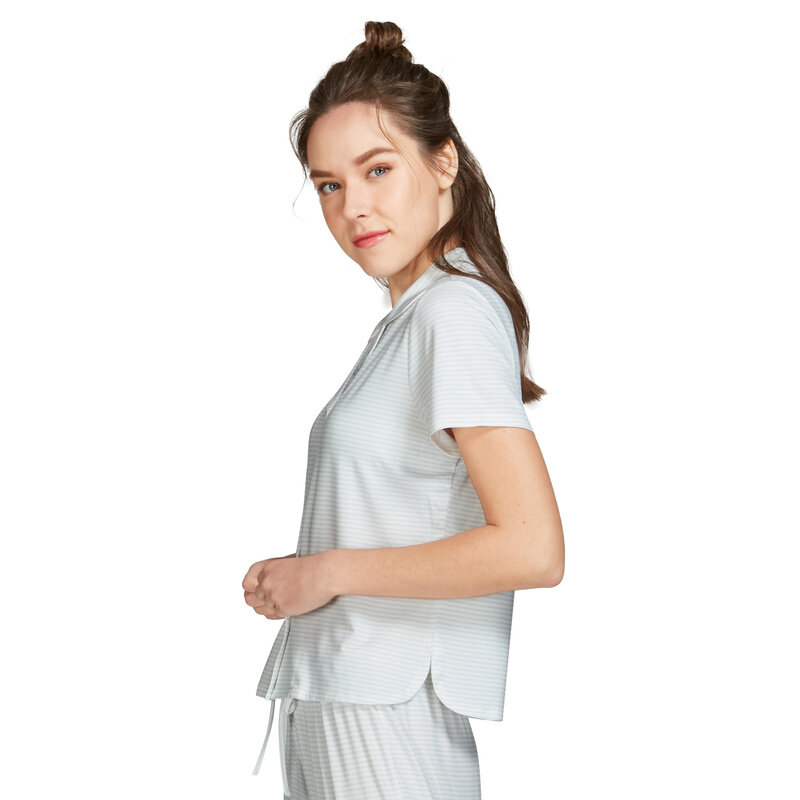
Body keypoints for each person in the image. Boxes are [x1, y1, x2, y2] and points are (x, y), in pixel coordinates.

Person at [242, 20, 565, 800]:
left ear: (443, 160)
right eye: (329, 185)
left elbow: (533, 547)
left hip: (386, 720)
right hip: (344, 700)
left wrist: (326, 573)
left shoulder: (454, 312)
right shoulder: (412, 320)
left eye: (378, 169)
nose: (353, 207)